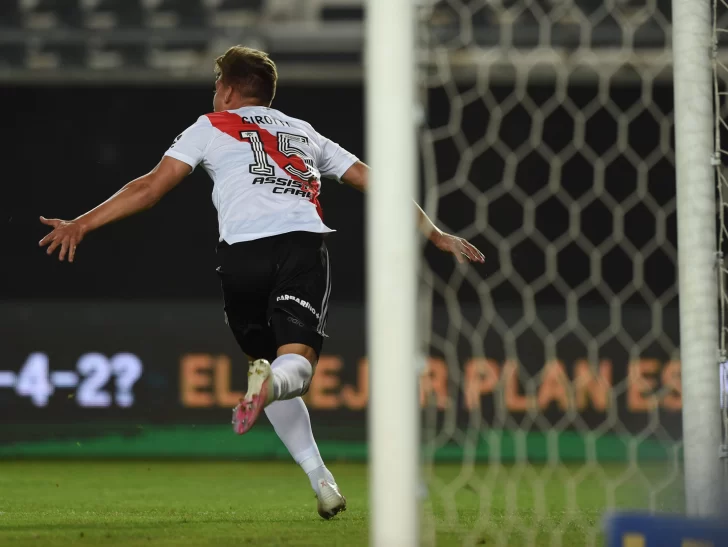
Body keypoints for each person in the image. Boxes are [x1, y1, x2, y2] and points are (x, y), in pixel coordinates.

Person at [38, 46, 484, 519]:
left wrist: (82, 224)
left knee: (268, 365)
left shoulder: (208, 127)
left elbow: (149, 188)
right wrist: (432, 232)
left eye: (216, 86)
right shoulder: (302, 131)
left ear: (227, 90)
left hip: (240, 258)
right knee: (295, 369)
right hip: (300, 248)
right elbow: (375, 181)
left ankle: (322, 481)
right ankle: (272, 389)